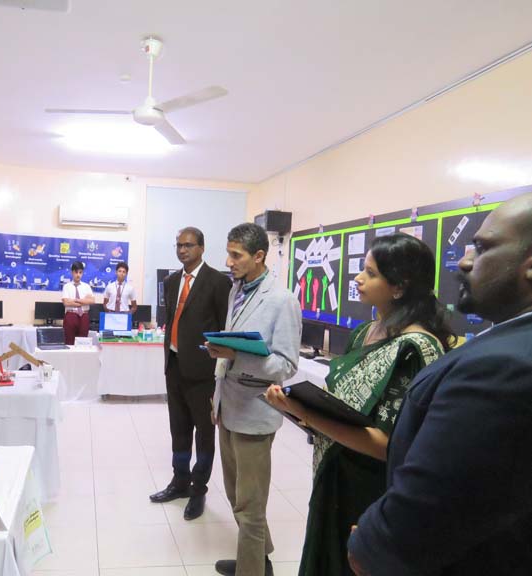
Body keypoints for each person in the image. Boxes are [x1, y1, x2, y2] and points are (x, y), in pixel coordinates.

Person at [347, 193, 532, 576]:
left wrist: (372, 544)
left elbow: (434, 500)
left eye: (483, 248)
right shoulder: (507, 344)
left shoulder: (502, 367)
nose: (464, 261)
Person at [266, 232, 454, 576]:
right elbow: (344, 408)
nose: (357, 278)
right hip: (335, 475)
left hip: (369, 489)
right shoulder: (365, 332)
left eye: (370, 273)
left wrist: (307, 413)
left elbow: (388, 445)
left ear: (399, 286)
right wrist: (299, 411)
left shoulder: (415, 349)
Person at [208, 223, 301, 576]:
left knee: (249, 504)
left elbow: (287, 365)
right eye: (228, 253)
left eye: (236, 255)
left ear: (259, 256)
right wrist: (218, 387)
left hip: (255, 412)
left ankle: (252, 570)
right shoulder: (238, 290)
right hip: (228, 406)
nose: (228, 261)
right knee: (236, 495)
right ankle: (258, 558)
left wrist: (238, 354)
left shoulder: (282, 299)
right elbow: (233, 347)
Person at [150, 227, 230, 521]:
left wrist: (219, 369)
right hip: (174, 367)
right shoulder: (171, 281)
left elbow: (224, 328)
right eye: (179, 245)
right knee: (179, 430)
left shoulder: (218, 282)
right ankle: (180, 481)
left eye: (188, 245)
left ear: (202, 247)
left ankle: (199, 489)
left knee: (204, 435)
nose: (182, 250)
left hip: (204, 373)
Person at [61, 260, 95, 344]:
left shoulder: (86, 286)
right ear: (72, 272)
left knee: (82, 342)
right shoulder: (67, 286)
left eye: (80, 272)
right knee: (69, 342)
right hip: (71, 315)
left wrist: (75, 300)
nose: (78, 275)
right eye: (76, 272)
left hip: (84, 316)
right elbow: (66, 302)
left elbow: (92, 301)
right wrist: (84, 301)